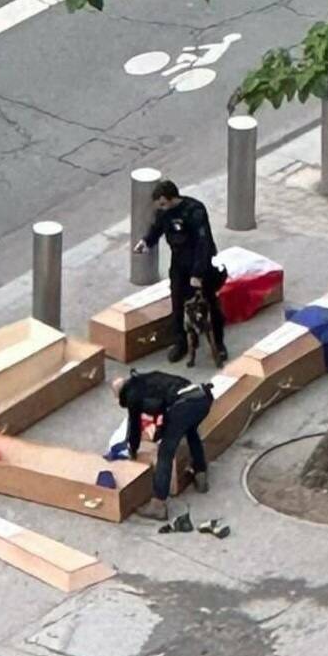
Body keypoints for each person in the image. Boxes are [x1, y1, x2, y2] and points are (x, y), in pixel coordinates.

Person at [133, 180, 227, 364]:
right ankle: (180, 342)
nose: (162, 208)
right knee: (177, 304)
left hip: (199, 263)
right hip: (179, 264)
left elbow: (203, 243)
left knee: (209, 304)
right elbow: (157, 228)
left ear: (170, 198)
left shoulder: (194, 211)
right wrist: (146, 242)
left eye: (162, 204)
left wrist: (198, 274)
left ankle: (219, 343)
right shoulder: (164, 212)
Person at [112, 371, 213, 520]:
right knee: (191, 431)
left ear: (121, 394)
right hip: (203, 397)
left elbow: (135, 427)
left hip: (183, 405)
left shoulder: (132, 395)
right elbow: (164, 406)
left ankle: (158, 505)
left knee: (165, 452)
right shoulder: (150, 378)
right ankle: (200, 474)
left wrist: (132, 450)